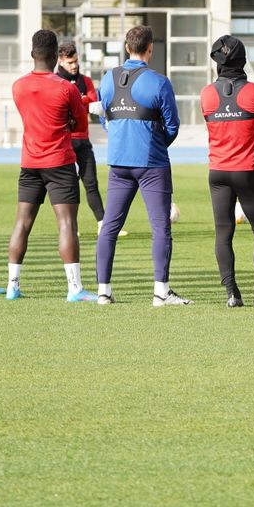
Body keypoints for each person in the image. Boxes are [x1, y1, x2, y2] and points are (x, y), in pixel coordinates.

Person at [95, 25, 189, 305]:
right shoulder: (159, 82)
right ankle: (161, 292)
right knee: (160, 227)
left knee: (109, 226)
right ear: (151, 48)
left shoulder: (107, 79)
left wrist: (122, 137)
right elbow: (173, 125)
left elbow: (104, 117)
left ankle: (103, 291)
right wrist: (156, 143)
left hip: (118, 162)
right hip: (151, 163)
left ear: (127, 47)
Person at [8, 29, 97, 302]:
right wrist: (67, 121)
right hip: (59, 161)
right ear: (55, 54)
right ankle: (75, 289)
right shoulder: (66, 87)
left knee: (22, 223)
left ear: (32, 53)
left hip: (30, 162)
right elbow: (81, 124)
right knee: (67, 223)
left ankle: (13, 286)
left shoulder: (18, 86)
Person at [201, 36, 254, 307]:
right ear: (243, 60)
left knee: (223, 233)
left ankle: (232, 294)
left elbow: (211, 123)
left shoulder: (206, 94)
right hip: (249, 171)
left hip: (218, 172)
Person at [56, 40, 107, 228]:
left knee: (91, 183)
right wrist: (82, 101)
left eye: (76, 60)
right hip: (64, 142)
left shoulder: (85, 81)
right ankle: (71, 228)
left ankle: (103, 224)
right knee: (68, 188)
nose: (75, 65)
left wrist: (76, 102)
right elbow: (62, 108)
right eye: (70, 62)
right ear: (60, 60)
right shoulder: (56, 81)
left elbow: (95, 105)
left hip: (83, 141)